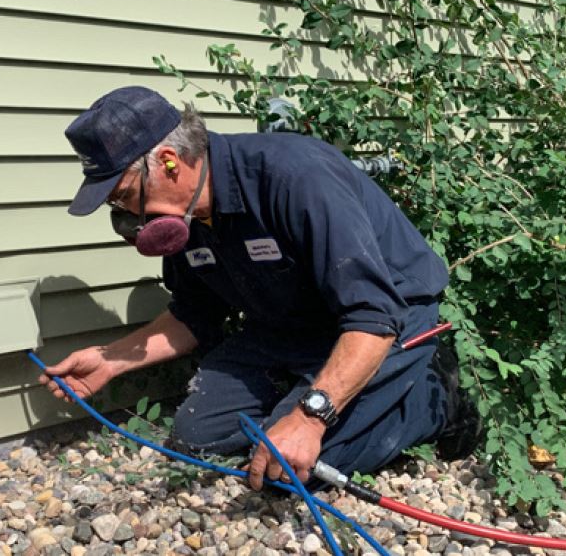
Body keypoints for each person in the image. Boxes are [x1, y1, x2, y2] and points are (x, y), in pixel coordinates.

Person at [39, 86, 482, 491]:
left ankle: (433, 401)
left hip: (385, 324)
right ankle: (305, 392)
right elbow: (194, 314)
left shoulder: (295, 177)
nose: (124, 216)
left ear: (169, 162)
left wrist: (310, 418)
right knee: (196, 440)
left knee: (289, 472)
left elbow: (372, 316)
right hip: (287, 328)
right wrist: (110, 360)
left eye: (122, 195)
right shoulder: (182, 216)